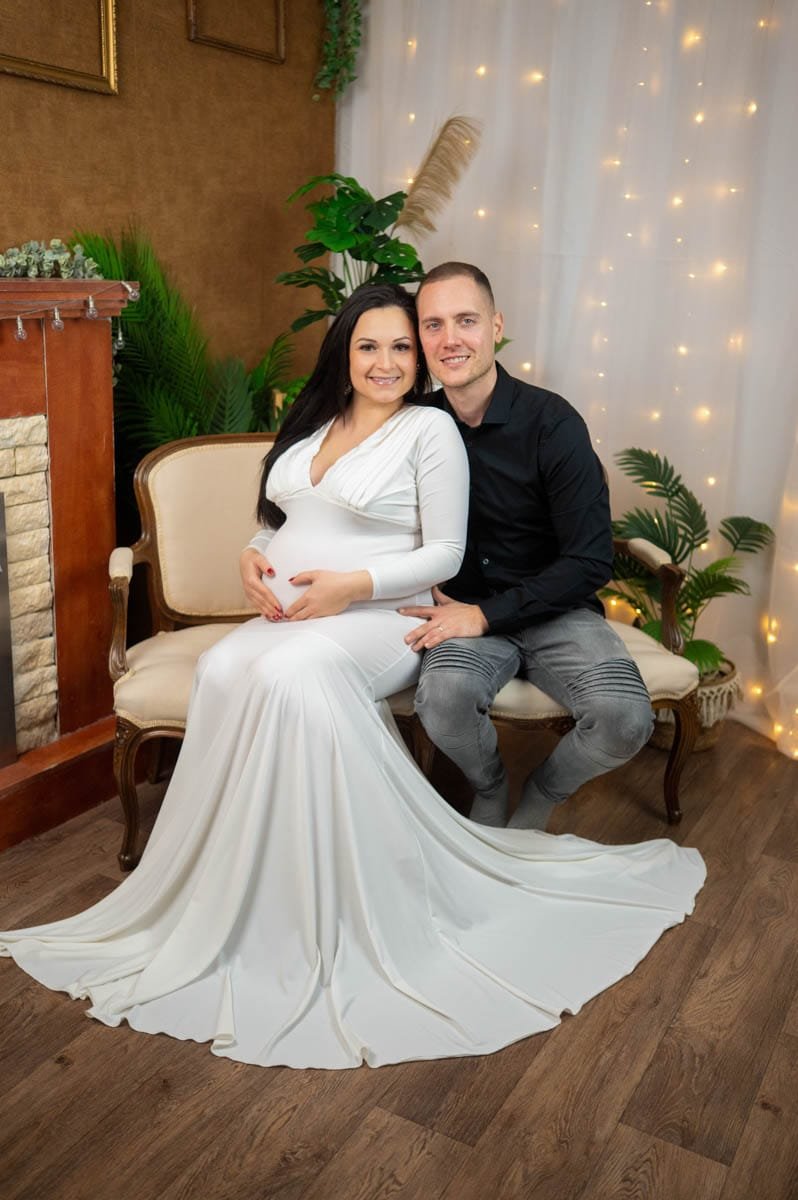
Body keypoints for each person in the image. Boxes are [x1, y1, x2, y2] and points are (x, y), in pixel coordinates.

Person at [1, 284, 704, 1071]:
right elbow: (281, 516)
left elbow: (467, 552)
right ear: (344, 351)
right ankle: (232, 890)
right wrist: (251, 555)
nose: (391, 359)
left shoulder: (449, 426)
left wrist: (354, 588)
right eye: (375, 344)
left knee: (295, 679)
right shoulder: (321, 420)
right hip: (346, 612)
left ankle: (359, 893)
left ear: (482, 332)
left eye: (406, 345)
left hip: (429, 613)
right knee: (225, 668)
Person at [400, 262, 654, 830]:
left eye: (466, 320)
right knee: (441, 702)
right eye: (433, 324)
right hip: (459, 608)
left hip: (556, 611)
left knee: (625, 719)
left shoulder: (553, 423)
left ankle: (541, 792)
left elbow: (591, 559)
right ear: (420, 339)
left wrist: (487, 614)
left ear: (496, 326)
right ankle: (490, 786)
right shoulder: (412, 426)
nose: (450, 338)